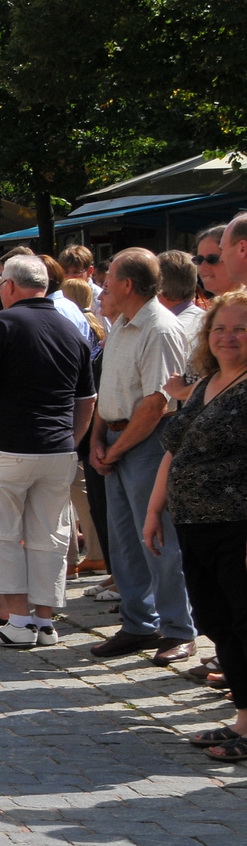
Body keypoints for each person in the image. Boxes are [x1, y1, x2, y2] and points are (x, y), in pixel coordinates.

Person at [0, 253, 96, 648]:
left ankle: (19, 621)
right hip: (57, 451)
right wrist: (70, 440)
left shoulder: (1, 324)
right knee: (49, 537)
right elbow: (86, 399)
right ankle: (43, 621)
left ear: (9, 287)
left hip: (8, 447)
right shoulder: (71, 327)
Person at [141, 291, 247, 760]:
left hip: (237, 525)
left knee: (245, 623)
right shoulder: (207, 383)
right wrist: (153, 510)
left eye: (241, 329)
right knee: (217, 622)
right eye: (220, 328)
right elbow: (174, 449)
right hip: (194, 523)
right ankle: (243, 720)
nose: (228, 337)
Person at [86, 248, 196, 666]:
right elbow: (108, 393)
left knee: (157, 539)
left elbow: (156, 404)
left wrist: (112, 447)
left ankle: (177, 629)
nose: (104, 285)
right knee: (125, 540)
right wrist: (98, 439)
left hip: (147, 443)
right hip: (118, 440)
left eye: (110, 277)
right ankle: (138, 624)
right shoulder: (121, 324)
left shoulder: (160, 329)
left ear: (128, 284)